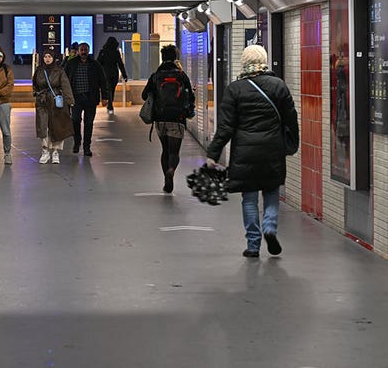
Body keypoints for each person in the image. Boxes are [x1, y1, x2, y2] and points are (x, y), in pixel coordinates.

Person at [205, 45, 299, 259]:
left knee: (249, 198)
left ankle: (253, 245)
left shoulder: (235, 89)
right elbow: (291, 119)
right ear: (264, 60)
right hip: (272, 150)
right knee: (272, 192)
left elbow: (226, 127)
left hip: (244, 152)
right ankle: (270, 228)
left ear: (244, 62)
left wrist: (213, 153)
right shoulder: (279, 86)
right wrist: (291, 145)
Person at [142, 45, 195, 193]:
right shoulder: (181, 75)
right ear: (175, 57)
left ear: (162, 57)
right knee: (174, 152)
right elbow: (191, 96)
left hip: (160, 118)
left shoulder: (156, 75)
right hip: (177, 119)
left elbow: (144, 95)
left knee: (165, 150)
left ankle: (167, 182)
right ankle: (171, 170)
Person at [32, 48, 75, 164]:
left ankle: (56, 152)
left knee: (57, 126)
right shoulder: (39, 70)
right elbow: (35, 84)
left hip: (56, 101)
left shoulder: (59, 70)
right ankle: (45, 151)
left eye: (49, 57)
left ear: (53, 58)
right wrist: (36, 93)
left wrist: (70, 100)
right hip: (42, 101)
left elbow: (65, 85)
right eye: (45, 57)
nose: (47, 59)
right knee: (43, 126)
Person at [64, 42, 107, 156]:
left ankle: (87, 146)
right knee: (75, 120)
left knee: (89, 123)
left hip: (90, 98)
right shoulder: (71, 64)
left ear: (88, 51)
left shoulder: (95, 64)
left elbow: (103, 81)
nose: (83, 52)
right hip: (76, 98)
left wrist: (105, 97)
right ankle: (77, 141)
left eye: (85, 50)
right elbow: (64, 80)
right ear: (78, 51)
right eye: (81, 50)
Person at [96, 36, 129, 115]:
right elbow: (120, 64)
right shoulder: (116, 52)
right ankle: (110, 105)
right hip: (114, 74)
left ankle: (109, 105)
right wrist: (124, 75)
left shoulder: (102, 52)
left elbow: (98, 63)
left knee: (108, 89)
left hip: (105, 74)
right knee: (112, 90)